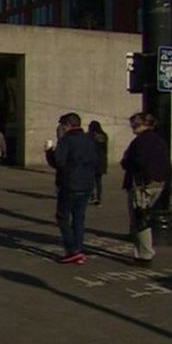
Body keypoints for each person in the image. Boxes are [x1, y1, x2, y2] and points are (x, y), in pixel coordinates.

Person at [120, 111, 172, 267]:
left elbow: (135, 162)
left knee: (140, 219)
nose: (132, 127)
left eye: (134, 123)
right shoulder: (158, 140)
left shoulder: (140, 142)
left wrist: (127, 163)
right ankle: (143, 251)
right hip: (157, 183)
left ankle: (144, 255)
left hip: (142, 184)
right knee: (142, 217)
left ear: (141, 123)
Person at [45, 113, 98, 265]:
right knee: (79, 218)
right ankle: (79, 249)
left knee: (62, 216)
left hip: (69, 183)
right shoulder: (89, 139)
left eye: (62, 125)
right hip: (87, 184)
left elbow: (59, 161)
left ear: (67, 125)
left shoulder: (66, 140)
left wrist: (49, 152)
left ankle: (72, 249)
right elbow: (96, 160)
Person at [88, 120, 109, 205]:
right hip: (101, 161)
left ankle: (92, 196)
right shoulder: (104, 136)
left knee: (91, 180)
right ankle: (98, 198)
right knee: (98, 181)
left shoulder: (91, 136)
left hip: (93, 160)